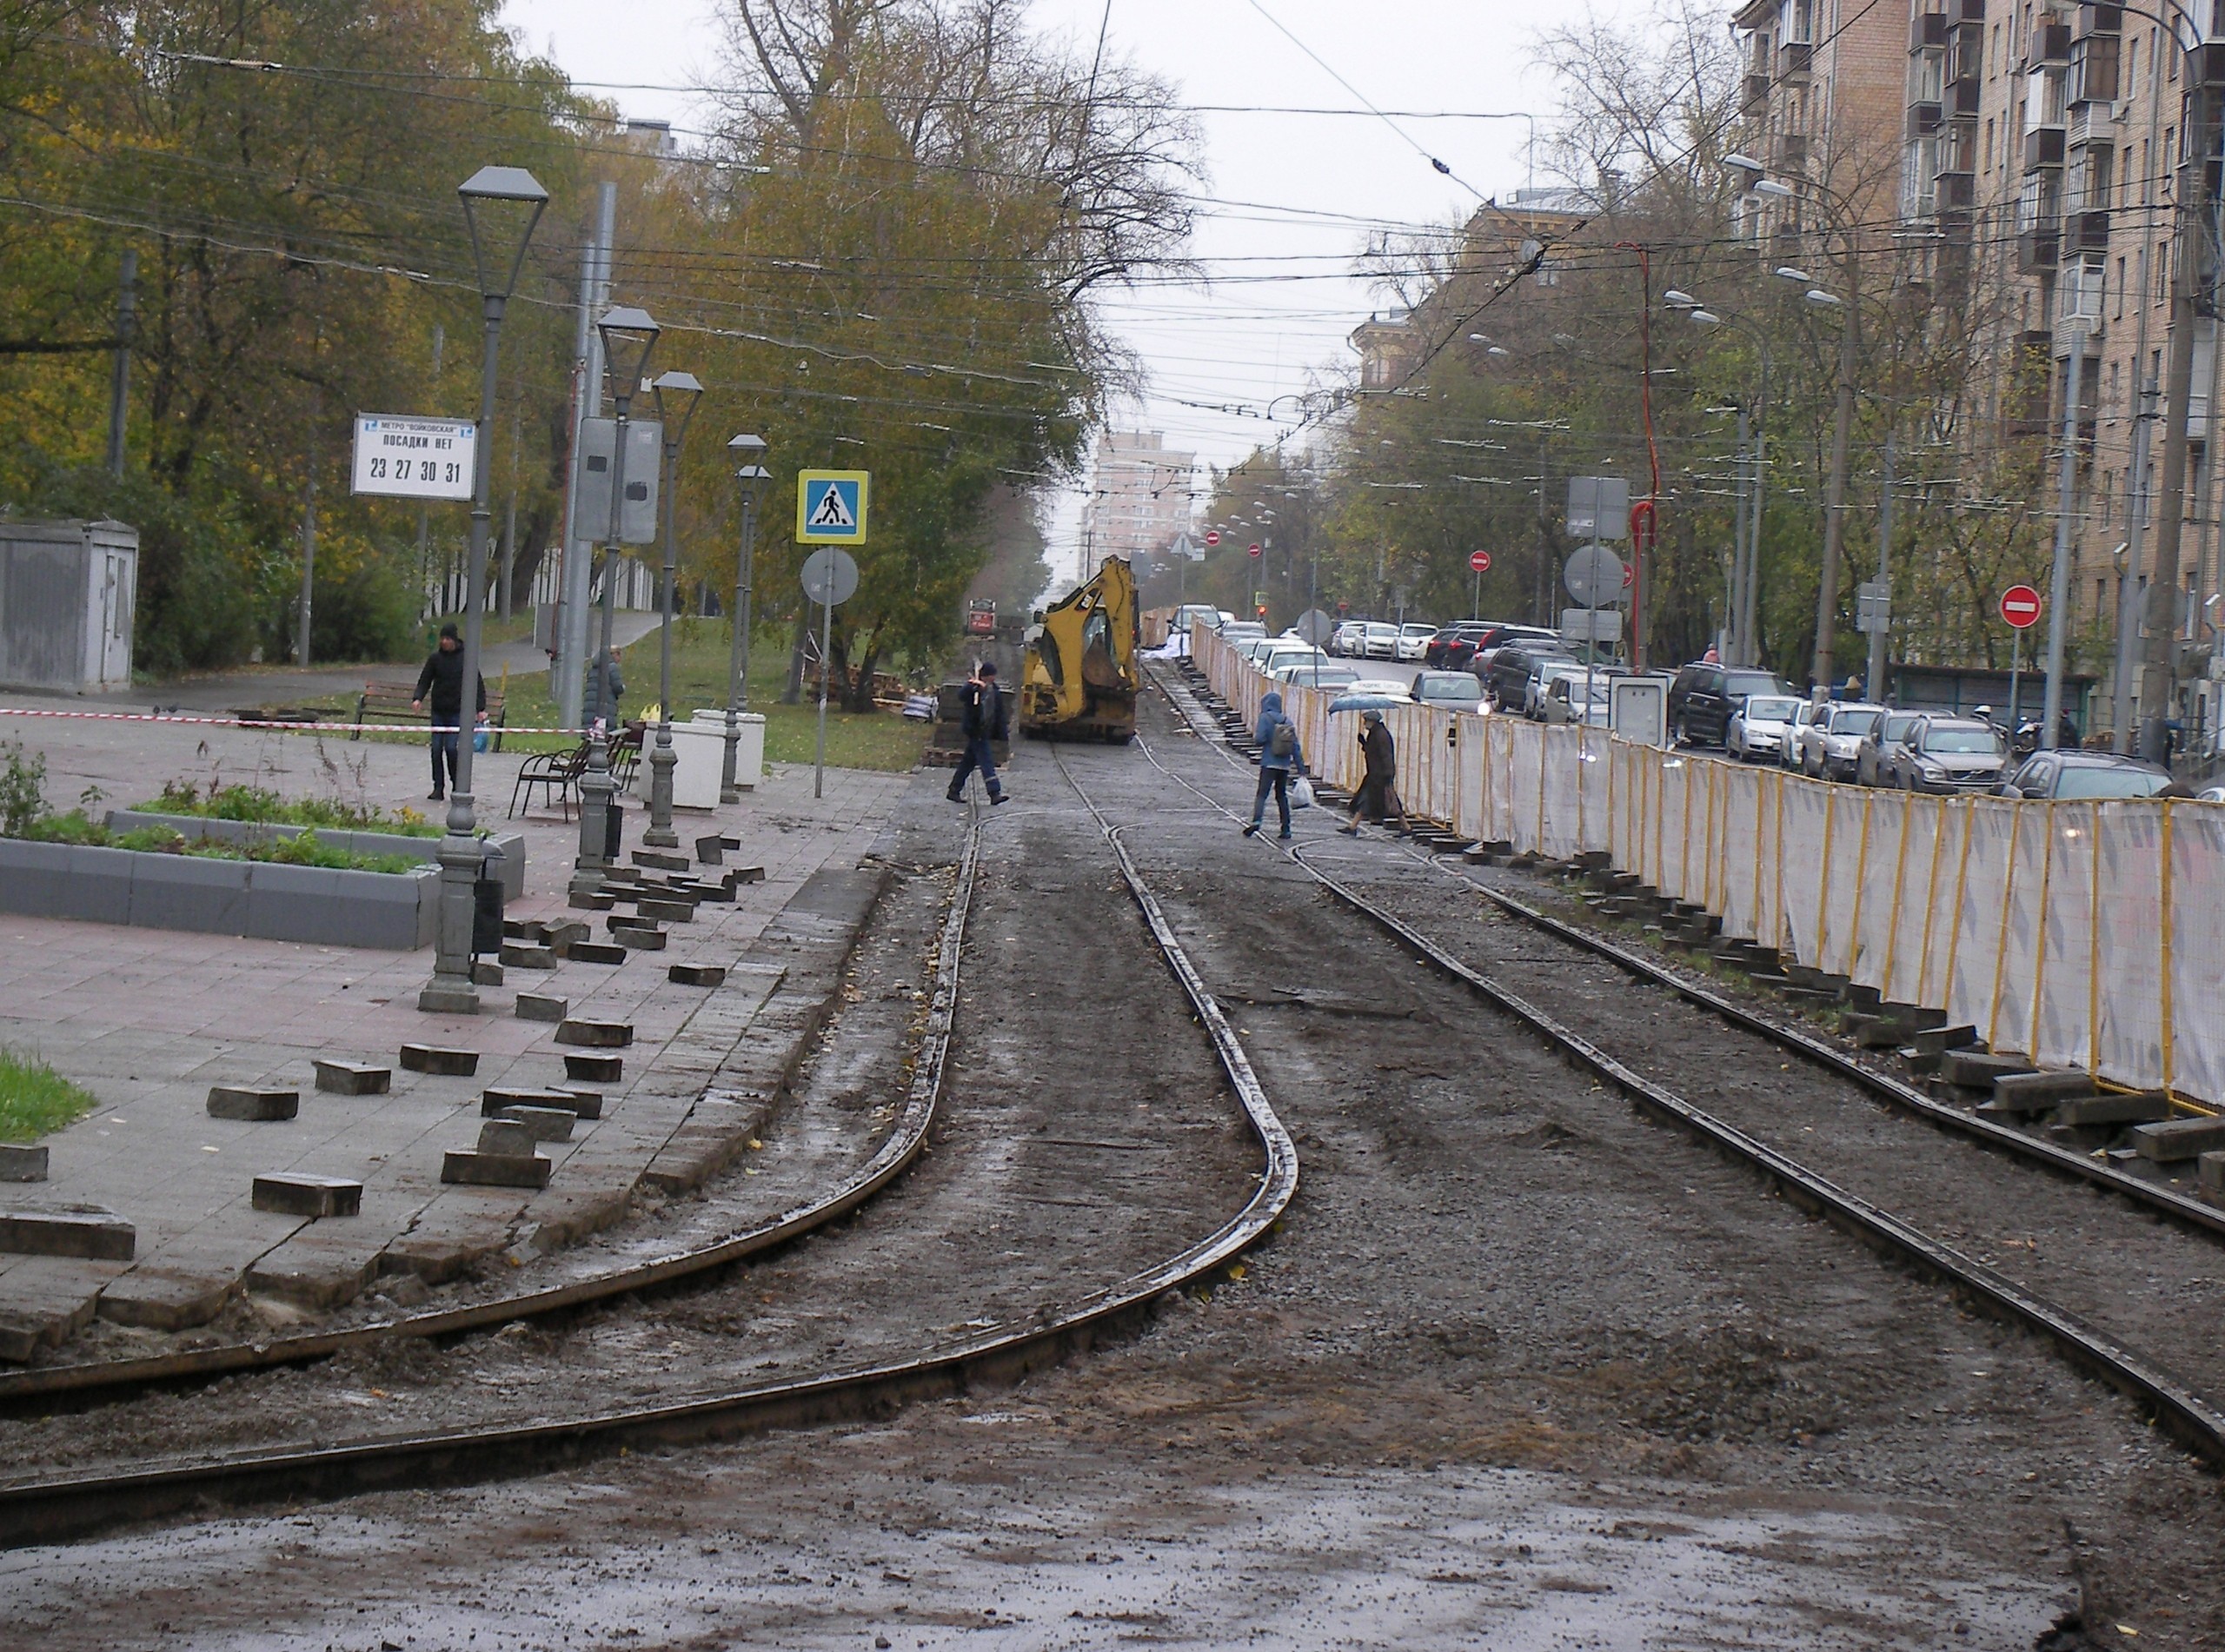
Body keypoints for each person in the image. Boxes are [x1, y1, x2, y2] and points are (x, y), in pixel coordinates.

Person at [410, 623, 487, 802]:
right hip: (439, 710)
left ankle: (456, 783)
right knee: (436, 749)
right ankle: (438, 787)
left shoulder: (466, 659)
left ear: (454, 640)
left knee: (451, 748)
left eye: (448, 639)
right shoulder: (435, 659)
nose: (444, 642)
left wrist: (480, 708)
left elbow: (477, 684)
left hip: (457, 712)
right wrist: (417, 698)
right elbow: (425, 680)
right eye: (442, 639)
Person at [1242, 690, 1303, 840]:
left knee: (1262, 794)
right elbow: (1295, 746)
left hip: (1269, 763)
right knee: (1281, 795)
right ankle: (1286, 828)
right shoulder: (1287, 721)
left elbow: (1259, 739)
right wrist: (1301, 768)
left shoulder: (1265, 718)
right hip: (1284, 765)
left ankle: (1256, 821)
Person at [947, 660, 1009, 805]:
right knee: (987, 761)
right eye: (991, 676)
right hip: (976, 730)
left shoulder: (993, 690)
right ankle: (994, 793)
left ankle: (954, 790)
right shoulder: (973, 686)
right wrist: (972, 687)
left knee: (968, 762)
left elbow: (998, 712)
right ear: (985, 676)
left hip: (985, 730)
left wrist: (1001, 732)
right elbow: (961, 696)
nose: (993, 678)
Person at [1340, 708, 1405, 836]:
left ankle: (1353, 826)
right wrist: (1363, 742)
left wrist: (1388, 773)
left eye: (1366, 721)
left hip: (1380, 774)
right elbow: (1372, 751)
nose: (1364, 723)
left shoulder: (1381, 735)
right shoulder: (1376, 733)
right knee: (1373, 799)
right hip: (1375, 774)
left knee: (1388, 800)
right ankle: (1352, 826)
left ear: (1372, 721)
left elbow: (1385, 754)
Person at [584, 645, 626, 729]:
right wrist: (623, 687)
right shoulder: (612, 667)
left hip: (590, 705)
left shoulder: (593, 669)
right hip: (606, 704)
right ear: (615, 655)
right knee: (604, 731)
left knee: (591, 730)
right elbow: (618, 687)